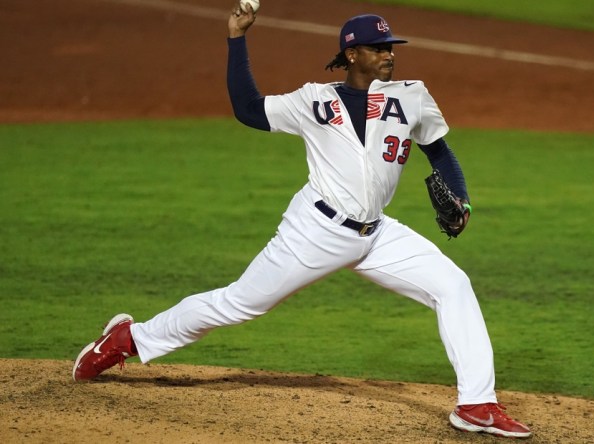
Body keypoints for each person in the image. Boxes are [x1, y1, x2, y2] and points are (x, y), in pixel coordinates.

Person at [72, 2, 532, 439]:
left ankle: (476, 404)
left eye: (391, 47)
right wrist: (237, 39)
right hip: (315, 231)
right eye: (379, 48)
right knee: (238, 304)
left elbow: (440, 151)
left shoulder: (411, 97)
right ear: (352, 54)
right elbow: (248, 109)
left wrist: (463, 200)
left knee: (452, 285)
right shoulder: (313, 100)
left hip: (377, 234)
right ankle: (127, 339)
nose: (389, 55)